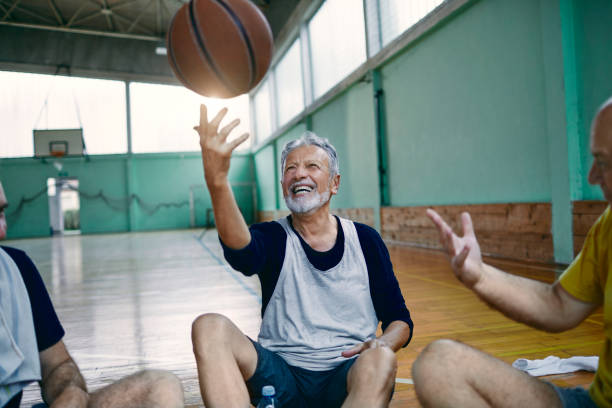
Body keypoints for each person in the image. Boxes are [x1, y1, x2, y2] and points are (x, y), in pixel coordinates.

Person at [191, 104, 413, 408]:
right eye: (290, 169)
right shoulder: (273, 237)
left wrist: (382, 344)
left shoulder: (365, 240)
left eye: (312, 166)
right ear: (284, 184)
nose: (299, 174)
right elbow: (242, 254)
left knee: (382, 360)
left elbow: (399, 320)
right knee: (208, 326)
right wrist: (217, 182)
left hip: (345, 376)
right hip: (281, 376)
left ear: (334, 184)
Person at [412, 97, 612, 408]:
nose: (592, 177)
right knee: (439, 365)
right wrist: (479, 275)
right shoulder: (608, 226)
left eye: (603, 163)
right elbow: (559, 306)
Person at [0, 181, 184, 408]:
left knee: (160, 387)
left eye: (1, 212)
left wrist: (69, 391)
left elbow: (56, 365)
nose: (2, 230)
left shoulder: (16, 268)